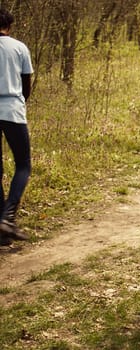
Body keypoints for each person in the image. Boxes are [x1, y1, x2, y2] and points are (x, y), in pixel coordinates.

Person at [0, 9, 33, 246]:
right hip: (12, 110)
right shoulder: (19, 47)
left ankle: (1, 228)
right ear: (9, 26)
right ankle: (8, 217)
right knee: (23, 165)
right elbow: (26, 86)